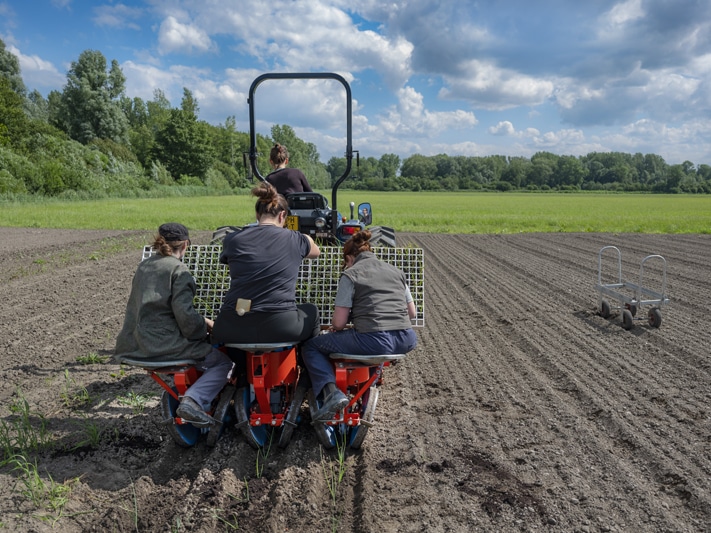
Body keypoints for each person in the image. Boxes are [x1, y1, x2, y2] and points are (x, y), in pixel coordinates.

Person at [114, 223, 233, 426]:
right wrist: (206, 329)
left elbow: (158, 309)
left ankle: (191, 397)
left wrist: (201, 320)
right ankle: (194, 400)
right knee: (224, 363)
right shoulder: (179, 270)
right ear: (186, 245)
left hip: (137, 343)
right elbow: (186, 319)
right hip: (166, 345)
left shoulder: (145, 266)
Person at [301, 230, 418, 422]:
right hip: (406, 339)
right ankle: (371, 377)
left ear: (349, 257)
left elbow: (338, 323)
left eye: (344, 262)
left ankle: (331, 392)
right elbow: (411, 313)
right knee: (369, 344)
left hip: (375, 341)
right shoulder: (396, 271)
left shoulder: (351, 274)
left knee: (312, 347)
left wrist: (339, 328)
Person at [211, 182, 321, 377]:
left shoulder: (233, 239)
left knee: (238, 314)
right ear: (282, 216)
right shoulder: (295, 239)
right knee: (311, 311)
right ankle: (309, 372)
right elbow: (316, 251)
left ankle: (239, 375)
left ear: (257, 215)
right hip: (281, 325)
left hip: (233, 323)